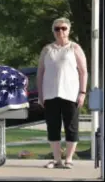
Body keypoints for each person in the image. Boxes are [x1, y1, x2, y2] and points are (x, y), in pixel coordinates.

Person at [37, 17, 88, 169]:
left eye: (64, 28)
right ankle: (57, 159)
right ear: (53, 31)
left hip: (70, 94)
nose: (61, 31)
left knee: (71, 127)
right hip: (50, 94)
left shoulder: (75, 48)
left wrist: (82, 92)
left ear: (69, 30)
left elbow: (83, 72)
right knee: (53, 126)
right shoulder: (47, 49)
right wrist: (40, 95)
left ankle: (69, 159)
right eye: (57, 29)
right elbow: (40, 73)